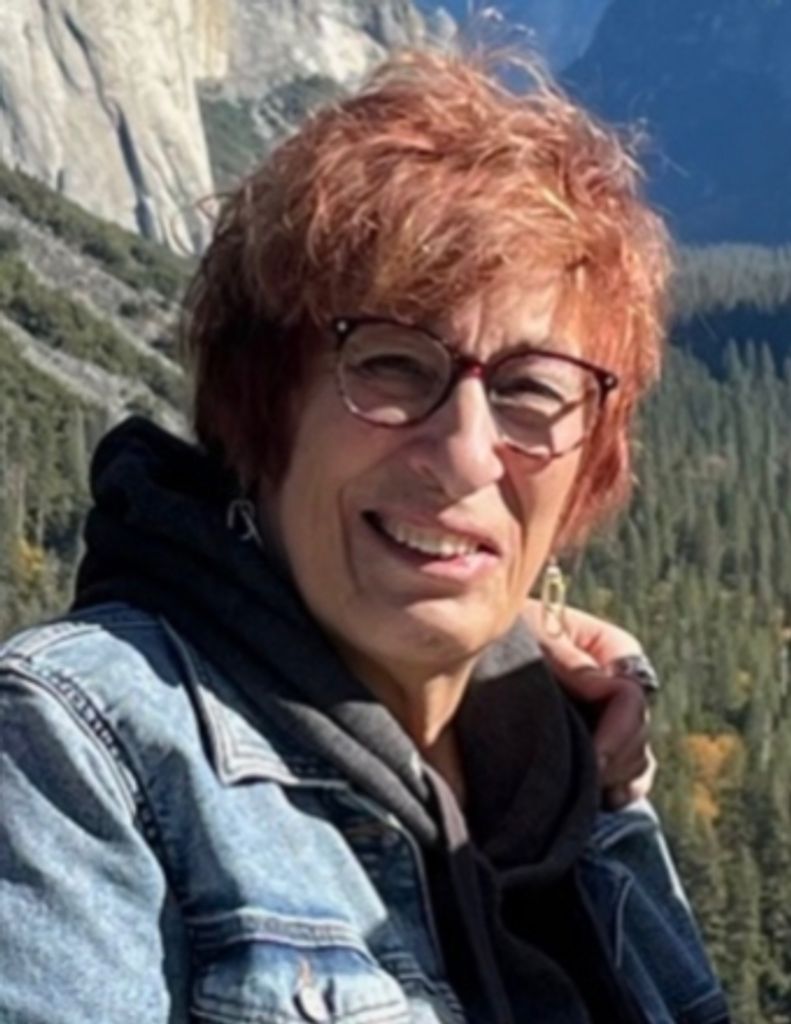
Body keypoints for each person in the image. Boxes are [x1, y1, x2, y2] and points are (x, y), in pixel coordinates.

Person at [0, 49, 728, 1024]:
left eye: (530, 390)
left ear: (589, 459)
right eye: (390, 364)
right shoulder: (77, 748)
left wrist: (597, 773)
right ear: (262, 403)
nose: (463, 455)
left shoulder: (573, 775)